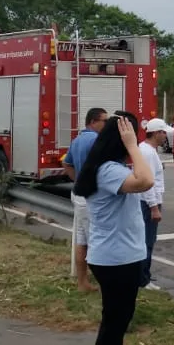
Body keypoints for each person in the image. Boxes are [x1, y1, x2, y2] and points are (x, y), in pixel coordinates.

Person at [73, 110, 155, 345]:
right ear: (120, 139)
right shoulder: (109, 170)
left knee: (115, 329)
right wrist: (134, 145)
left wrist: (131, 149)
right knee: (112, 331)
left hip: (119, 259)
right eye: (130, 135)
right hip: (116, 261)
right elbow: (145, 180)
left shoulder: (110, 168)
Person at [62, 107, 108, 293]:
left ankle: (83, 282)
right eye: (104, 120)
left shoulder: (78, 139)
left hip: (79, 194)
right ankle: (105, 282)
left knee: (82, 240)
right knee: (96, 240)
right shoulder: (97, 141)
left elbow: (67, 163)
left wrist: (78, 181)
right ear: (93, 121)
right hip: (90, 197)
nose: (106, 124)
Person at [137, 118, 169, 291]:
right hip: (148, 203)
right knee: (147, 241)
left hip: (145, 202)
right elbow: (148, 182)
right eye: (163, 132)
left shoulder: (146, 150)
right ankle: (143, 279)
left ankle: (142, 276)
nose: (165, 136)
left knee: (145, 240)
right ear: (156, 133)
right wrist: (154, 207)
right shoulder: (148, 153)